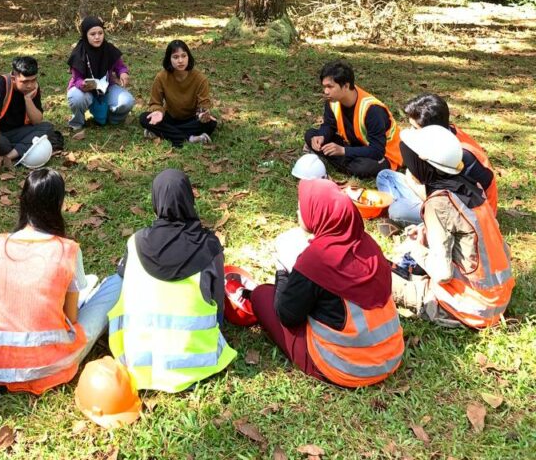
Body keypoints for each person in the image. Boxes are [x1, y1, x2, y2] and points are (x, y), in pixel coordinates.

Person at [0, 169, 120, 394]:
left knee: (87, 280)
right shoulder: (66, 249)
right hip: (50, 364)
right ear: (58, 204)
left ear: (23, 201)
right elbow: (72, 318)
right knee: (115, 285)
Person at [251, 179, 404, 387]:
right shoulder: (369, 245)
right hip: (392, 354)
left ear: (317, 213)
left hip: (347, 369)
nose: (298, 211)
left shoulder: (316, 260)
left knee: (261, 295)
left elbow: (287, 315)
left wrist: (282, 268)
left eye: (301, 206)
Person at [107, 169, 236, 392]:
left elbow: (124, 279)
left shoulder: (135, 242)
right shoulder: (209, 246)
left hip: (136, 362)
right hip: (198, 362)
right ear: (189, 199)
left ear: (156, 201)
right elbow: (218, 305)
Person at [390, 126, 513, 329]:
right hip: (499, 297)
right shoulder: (472, 187)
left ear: (422, 162)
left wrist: (417, 249)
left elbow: (442, 273)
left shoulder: (439, 204)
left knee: (381, 278)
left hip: (471, 309)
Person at [377, 93, 497, 225]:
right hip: (435, 193)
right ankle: (410, 209)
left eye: (415, 128)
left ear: (433, 129)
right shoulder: (443, 135)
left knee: (397, 210)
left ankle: (413, 217)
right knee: (385, 176)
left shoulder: (457, 156)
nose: (411, 131)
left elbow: (446, 201)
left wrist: (413, 182)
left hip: (465, 214)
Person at [304, 61, 400, 177]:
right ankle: (339, 159)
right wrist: (322, 136)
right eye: (324, 86)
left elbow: (377, 150)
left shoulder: (372, 110)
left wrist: (343, 151)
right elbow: (329, 125)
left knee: (362, 167)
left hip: (383, 154)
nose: (326, 91)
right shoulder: (333, 100)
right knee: (310, 134)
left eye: (330, 87)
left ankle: (332, 159)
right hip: (354, 145)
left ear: (346, 86)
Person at [0, 57, 61, 173]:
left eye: (33, 80)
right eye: (25, 82)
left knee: (47, 127)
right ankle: (22, 149)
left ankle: (7, 157)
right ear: (13, 78)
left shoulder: (32, 88)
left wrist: (28, 99)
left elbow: (37, 121)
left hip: (15, 133)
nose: (30, 85)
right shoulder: (0, 85)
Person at [139, 39, 217, 147]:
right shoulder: (161, 77)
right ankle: (190, 138)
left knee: (211, 123)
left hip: (192, 119)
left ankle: (161, 133)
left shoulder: (200, 79)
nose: (180, 60)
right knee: (144, 118)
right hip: (170, 117)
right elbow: (155, 102)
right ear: (169, 59)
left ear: (188, 57)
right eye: (175, 57)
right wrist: (158, 112)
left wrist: (203, 115)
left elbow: (203, 105)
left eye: (183, 56)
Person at [66, 17, 135, 131]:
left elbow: (120, 66)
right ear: (85, 35)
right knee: (76, 98)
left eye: (100, 33)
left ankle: (113, 119)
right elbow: (77, 78)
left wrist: (123, 73)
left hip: (106, 88)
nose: (97, 37)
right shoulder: (79, 53)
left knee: (127, 101)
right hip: (85, 91)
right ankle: (77, 121)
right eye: (92, 34)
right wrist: (83, 84)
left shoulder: (108, 49)